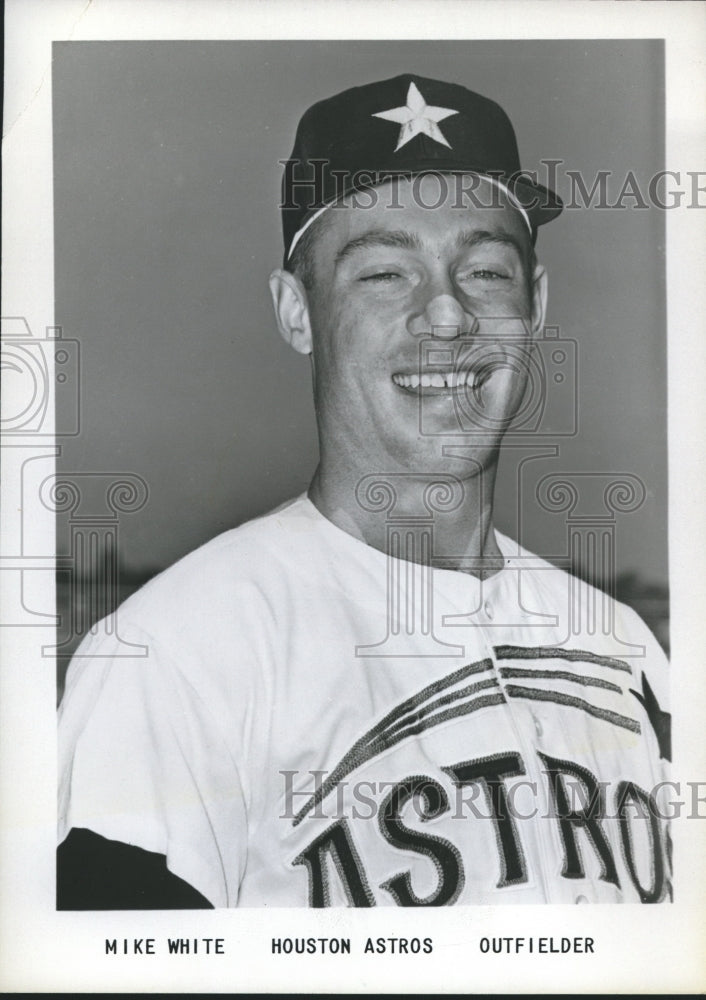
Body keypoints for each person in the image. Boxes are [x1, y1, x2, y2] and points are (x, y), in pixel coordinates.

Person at [57, 73, 671, 908]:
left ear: (536, 302)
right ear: (296, 311)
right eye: (384, 273)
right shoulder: (175, 656)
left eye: (486, 270)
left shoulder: (626, 649)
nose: (447, 315)